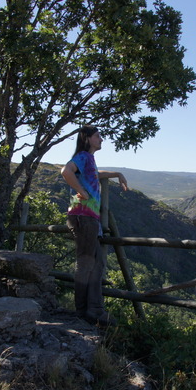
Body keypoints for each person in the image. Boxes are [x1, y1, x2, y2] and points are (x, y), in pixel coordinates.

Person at [60, 125, 128, 327]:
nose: (101, 139)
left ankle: (90, 310)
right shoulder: (82, 156)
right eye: (98, 136)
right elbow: (66, 171)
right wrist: (82, 191)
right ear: (87, 138)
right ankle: (87, 311)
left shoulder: (88, 159)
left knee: (95, 263)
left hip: (86, 217)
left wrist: (117, 173)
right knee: (87, 264)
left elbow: (95, 174)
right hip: (83, 216)